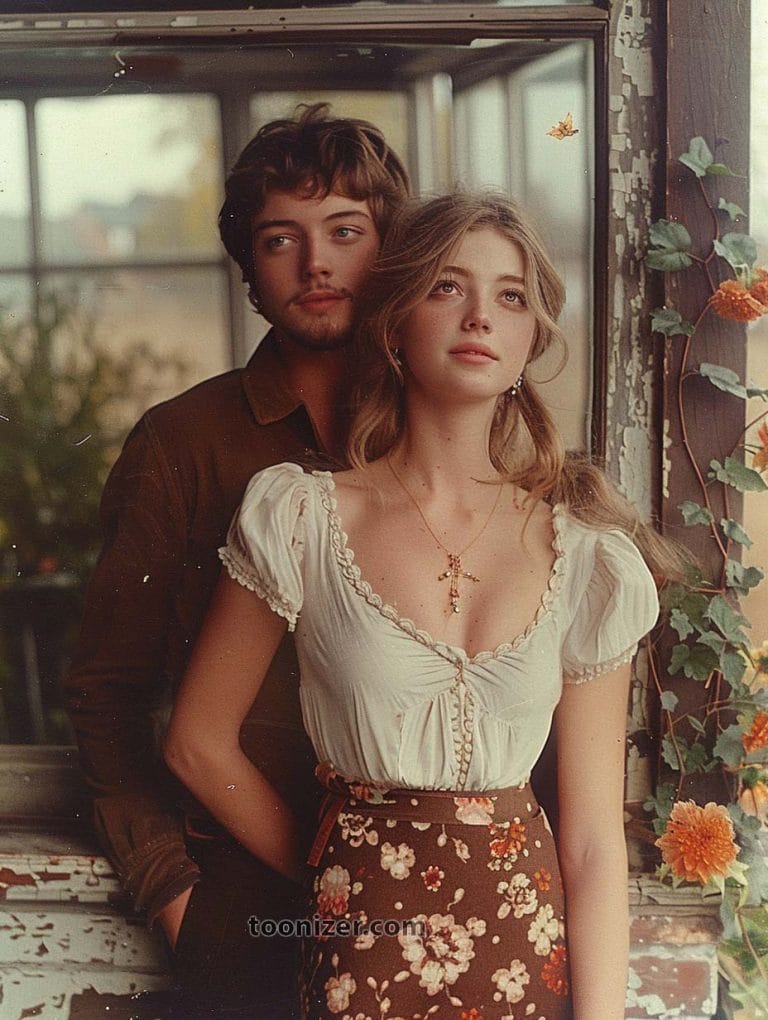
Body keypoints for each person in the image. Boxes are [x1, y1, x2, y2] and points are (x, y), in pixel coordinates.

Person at [164, 192, 681, 1019]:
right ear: (396, 322)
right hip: (360, 960)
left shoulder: (587, 558)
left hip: (526, 960)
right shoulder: (304, 517)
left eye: (511, 296)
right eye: (448, 287)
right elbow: (197, 741)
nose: (481, 315)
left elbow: (588, 842)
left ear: (529, 341)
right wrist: (337, 867)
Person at [64, 103, 410, 1018]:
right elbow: (104, 691)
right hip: (248, 904)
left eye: (345, 231)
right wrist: (171, 890)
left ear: (392, 252)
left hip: (417, 896)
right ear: (250, 274)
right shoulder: (183, 443)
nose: (317, 264)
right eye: (279, 240)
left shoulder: (439, 434)